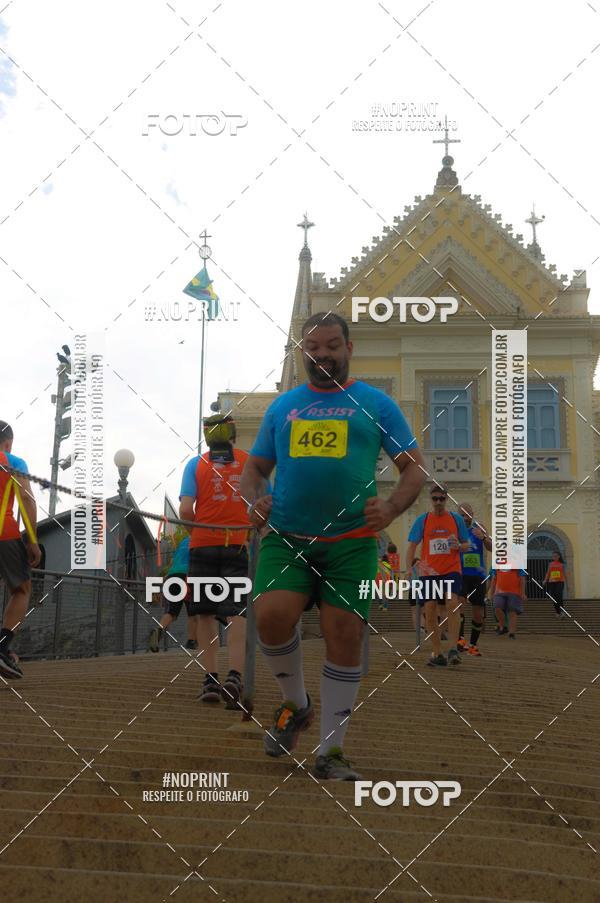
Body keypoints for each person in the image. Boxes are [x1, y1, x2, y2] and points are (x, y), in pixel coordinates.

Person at [240, 312, 425, 781]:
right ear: (303, 353)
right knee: (271, 616)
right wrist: (253, 500)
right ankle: (296, 703)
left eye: (332, 345)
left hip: (352, 544)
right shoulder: (282, 408)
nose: (322, 354)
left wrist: (391, 508)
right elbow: (255, 467)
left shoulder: (375, 404)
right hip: (287, 537)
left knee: (343, 633)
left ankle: (331, 752)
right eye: (313, 347)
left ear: (348, 349)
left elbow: (413, 468)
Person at [179, 414, 250, 708]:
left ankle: (210, 679)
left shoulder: (196, 464)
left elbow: (185, 509)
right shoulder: (249, 462)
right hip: (237, 543)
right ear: (233, 436)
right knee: (237, 614)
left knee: (206, 614)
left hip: (202, 544)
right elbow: (264, 505)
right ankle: (235, 676)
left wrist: (197, 532)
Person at [405, 485, 470, 667]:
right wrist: (409, 568)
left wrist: (459, 545)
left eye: (442, 498)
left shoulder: (456, 519)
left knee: (452, 602)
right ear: (430, 500)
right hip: (429, 571)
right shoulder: (423, 520)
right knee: (430, 609)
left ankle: (453, 649)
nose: (438, 502)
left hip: (451, 568)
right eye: (435, 499)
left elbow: (467, 545)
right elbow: (412, 546)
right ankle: (437, 653)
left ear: (446, 499)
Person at [0, 422, 41, 679]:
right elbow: (26, 498)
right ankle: (2, 647)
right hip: (5, 532)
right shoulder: (13, 461)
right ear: (7, 443)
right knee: (21, 589)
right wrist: (32, 540)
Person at [148, 536, 196, 652]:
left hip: (173, 576)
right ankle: (191, 642)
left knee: (172, 612)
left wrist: (168, 576)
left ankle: (158, 630)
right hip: (187, 575)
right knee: (193, 613)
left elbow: (173, 562)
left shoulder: (182, 542)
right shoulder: (198, 538)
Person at [456, 502, 492, 657]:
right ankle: (460, 640)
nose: (465, 518)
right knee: (459, 606)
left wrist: (484, 537)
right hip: (461, 574)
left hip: (478, 576)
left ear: (472, 514)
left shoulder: (480, 527)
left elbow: (492, 547)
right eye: (462, 515)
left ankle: (473, 645)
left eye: (467, 514)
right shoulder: (455, 529)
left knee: (478, 612)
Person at [490, 567, 526, 639]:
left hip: (514, 591)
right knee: (497, 607)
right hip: (499, 591)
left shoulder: (517, 562)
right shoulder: (496, 562)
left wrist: (522, 593)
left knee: (512, 611)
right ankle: (503, 625)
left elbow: (522, 578)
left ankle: (512, 633)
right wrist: (491, 592)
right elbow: (493, 578)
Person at [543, 552, 566, 618]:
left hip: (560, 582)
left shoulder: (562, 564)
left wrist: (568, 585)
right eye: (553, 556)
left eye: (556, 556)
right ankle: (557, 612)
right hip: (552, 582)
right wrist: (545, 580)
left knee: (559, 595)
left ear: (559, 556)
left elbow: (565, 574)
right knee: (554, 597)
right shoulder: (550, 564)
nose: (554, 557)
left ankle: (561, 611)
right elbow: (548, 573)